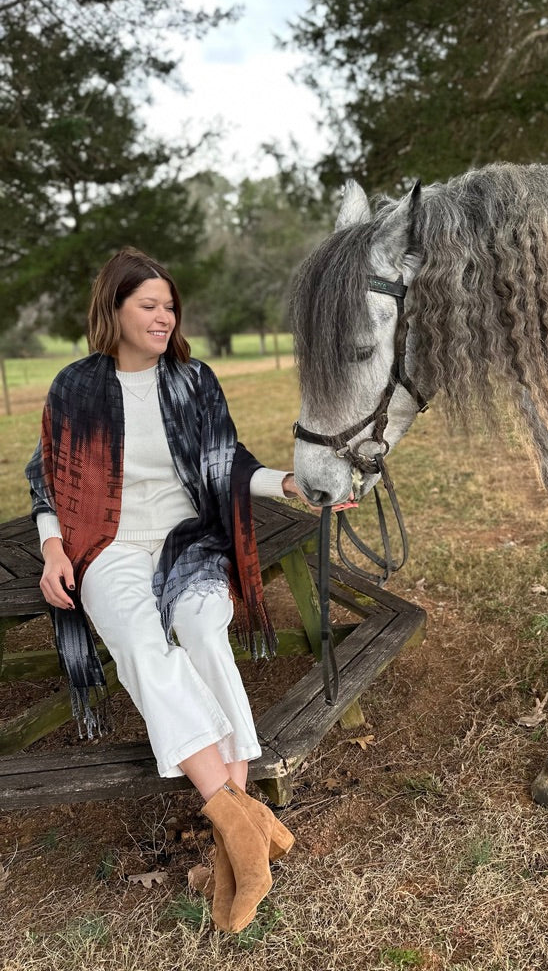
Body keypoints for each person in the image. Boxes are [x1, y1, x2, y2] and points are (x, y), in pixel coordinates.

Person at [25, 247, 313, 933]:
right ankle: (244, 829)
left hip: (189, 541)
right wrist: (52, 547)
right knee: (138, 644)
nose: (163, 316)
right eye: (148, 305)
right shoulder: (75, 387)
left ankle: (230, 844)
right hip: (108, 544)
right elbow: (47, 479)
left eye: (169, 306)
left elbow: (228, 463)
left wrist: (292, 485)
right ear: (115, 309)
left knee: (204, 630)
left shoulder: (192, 380)